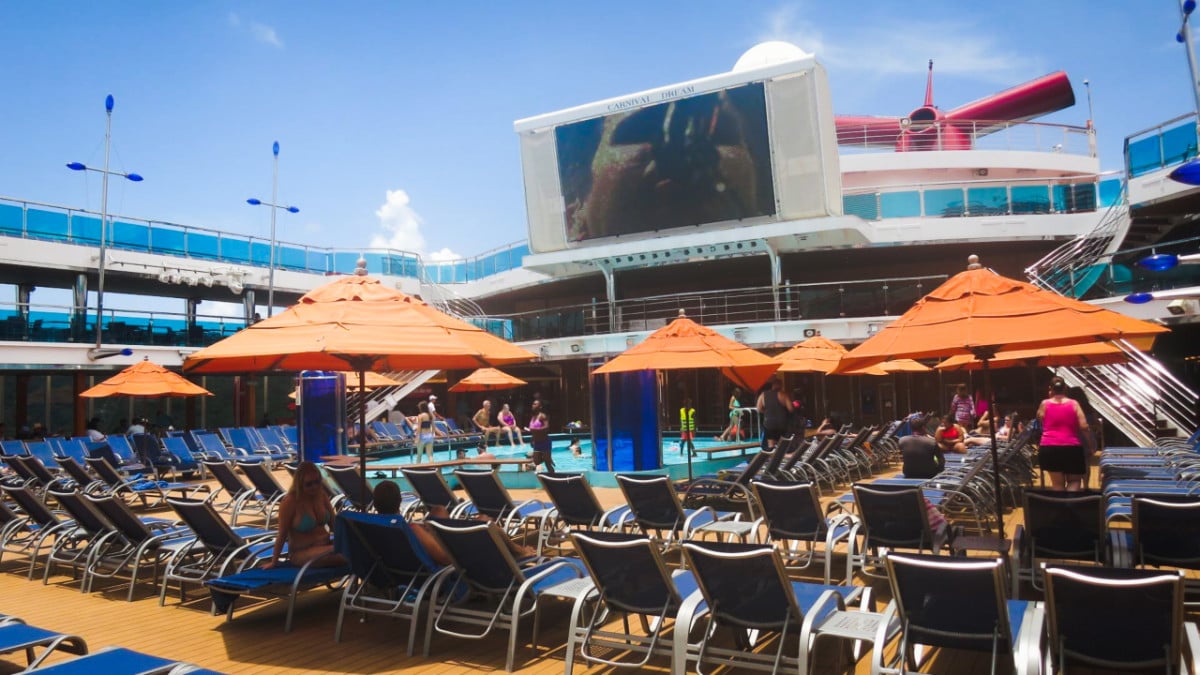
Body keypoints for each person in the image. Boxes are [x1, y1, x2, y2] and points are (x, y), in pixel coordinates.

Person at [263, 462, 345, 569]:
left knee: (358, 550)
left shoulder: (321, 495)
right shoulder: (290, 502)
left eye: (317, 482)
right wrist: (274, 561)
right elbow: (282, 534)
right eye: (309, 484)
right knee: (346, 555)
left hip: (326, 546)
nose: (314, 487)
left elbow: (334, 525)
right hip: (301, 552)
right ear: (299, 484)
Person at [1038, 376, 1092, 491]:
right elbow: (1084, 426)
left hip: (1049, 446)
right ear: (1065, 388)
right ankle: (1070, 506)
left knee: (1057, 484)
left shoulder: (1044, 404)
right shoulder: (1074, 404)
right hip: (1071, 446)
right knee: (1074, 481)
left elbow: (1040, 420)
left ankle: (1060, 507)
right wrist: (1090, 444)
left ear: (1050, 389)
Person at [899, 415, 943, 479]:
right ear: (923, 427)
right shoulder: (932, 442)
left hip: (909, 473)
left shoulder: (902, 440)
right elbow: (941, 460)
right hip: (929, 473)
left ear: (911, 428)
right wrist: (940, 471)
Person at [756, 379, 792, 451]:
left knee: (771, 445)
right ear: (781, 385)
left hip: (769, 423)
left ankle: (773, 460)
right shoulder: (783, 395)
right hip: (782, 423)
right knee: (781, 445)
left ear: (772, 385)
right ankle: (781, 459)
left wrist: (767, 412)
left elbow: (759, 408)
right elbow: (791, 409)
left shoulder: (763, 395)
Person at [526, 400, 554, 472]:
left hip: (545, 441)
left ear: (540, 406)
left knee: (548, 464)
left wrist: (535, 429)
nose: (533, 405)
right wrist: (532, 438)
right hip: (537, 443)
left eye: (535, 404)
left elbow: (546, 427)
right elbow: (532, 430)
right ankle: (547, 458)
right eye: (533, 404)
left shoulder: (542, 416)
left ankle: (553, 476)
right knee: (536, 461)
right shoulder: (533, 417)